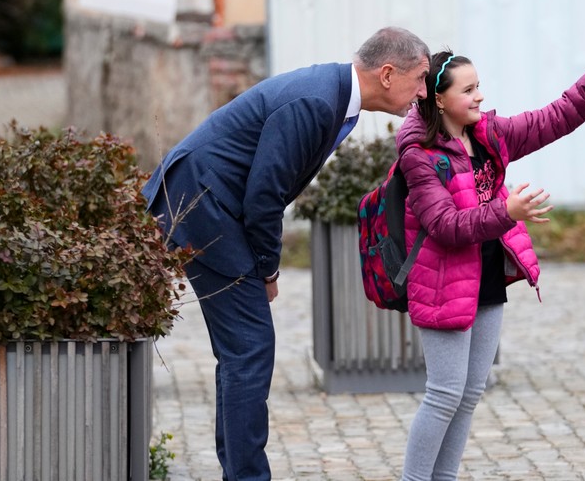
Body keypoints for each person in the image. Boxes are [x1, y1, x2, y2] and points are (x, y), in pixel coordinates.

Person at [141, 26, 431, 480]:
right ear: (389, 73)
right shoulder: (317, 100)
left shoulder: (331, 94)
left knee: (242, 351)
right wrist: (267, 268)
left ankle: (239, 472)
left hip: (209, 205)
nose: (423, 92)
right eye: (421, 78)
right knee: (250, 349)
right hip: (204, 207)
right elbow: (264, 195)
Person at [396, 49, 585, 480]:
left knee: (468, 394)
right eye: (468, 90)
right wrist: (509, 212)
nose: (480, 97)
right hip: (443, 281)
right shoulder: (420, 154)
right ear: (439, 99)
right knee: (444, 394)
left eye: (479, 85)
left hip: (486, 276)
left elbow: (548, 120)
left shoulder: (486, 133)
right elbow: (444, 225)